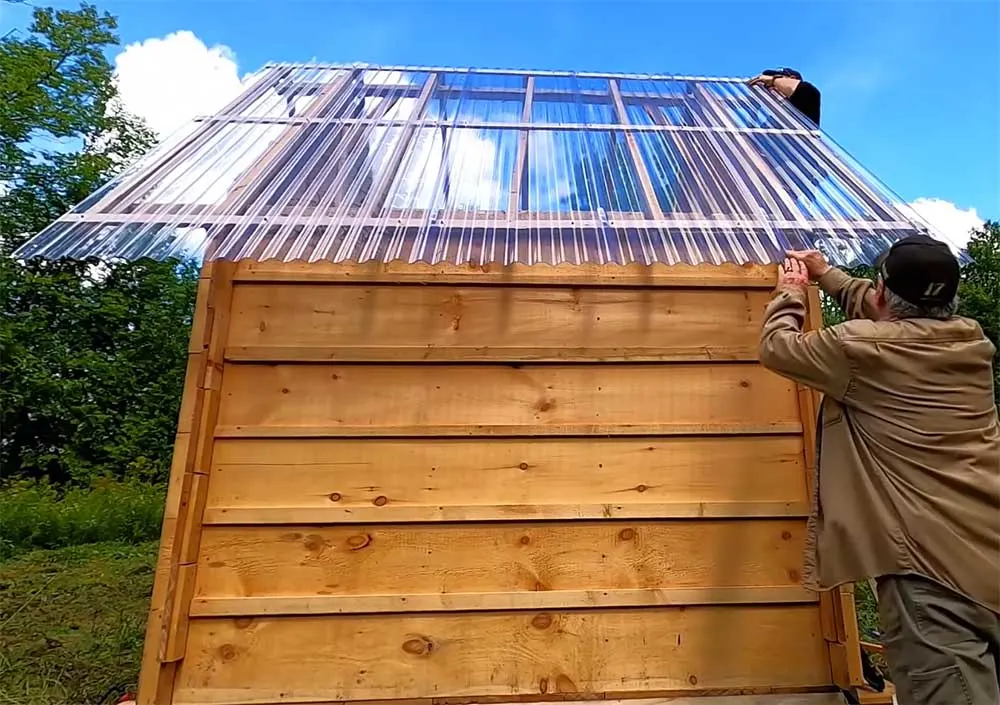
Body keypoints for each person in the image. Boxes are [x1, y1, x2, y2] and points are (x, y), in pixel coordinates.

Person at [758, 236, 1000, 705]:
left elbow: (777, 348)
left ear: (885, 293)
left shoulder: (857, 350)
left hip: (933, 573)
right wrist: (827, 274)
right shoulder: (970, 340)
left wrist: (790, 291)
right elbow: (883, 311)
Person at [748, 67, 822, 126]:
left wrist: (773, 80)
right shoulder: (771, 124)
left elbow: (804, 89)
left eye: (778, 77)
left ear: (793, 78)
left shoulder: (808, 96)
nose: (769, 86)